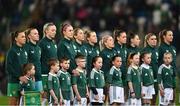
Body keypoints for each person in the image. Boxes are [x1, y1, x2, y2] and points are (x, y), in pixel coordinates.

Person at [6, 29, 28, 105]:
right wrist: (19, 77)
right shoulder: (12, 51)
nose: (24, 38)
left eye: (25, 36)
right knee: (13, 104)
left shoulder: (24, 51)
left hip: (23, 82)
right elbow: (8, 68)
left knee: (20, 103)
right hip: (14, 82)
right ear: (16, 39)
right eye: (22, 37)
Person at [38, 22, 57, 104]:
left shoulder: (53, 43)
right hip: (45, 74)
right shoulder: (41, 43)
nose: (54, 32)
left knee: (51, 97)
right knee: (44, 95)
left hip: (53, 74)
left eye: (55, 30)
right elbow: (38, 59)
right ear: (46, 31)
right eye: (52, 30)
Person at [142, 33, 159, 104]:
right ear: (147, 41)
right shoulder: (144, 51)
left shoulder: (157, 50)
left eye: (155, 39)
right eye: (152, 39)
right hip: (147, 80)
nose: (154, 40)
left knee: (154, 100)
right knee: (146, 101)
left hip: (156, 79)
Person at [25, 28, 43, 93]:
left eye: (37, 33)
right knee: (29, 99)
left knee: (39, 98)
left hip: (38, 76)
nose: (37, 35)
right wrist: (29, 75)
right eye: (35, 34)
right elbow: (25, 63)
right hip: (30, 78)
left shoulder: (38, 48)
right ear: (29, 36)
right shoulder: (26, 47)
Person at [113, 29, 128, 103]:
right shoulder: (114, 48)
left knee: (123, 100)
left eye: (126, 37)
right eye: (123, 37)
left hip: (124, 76)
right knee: (115, 100)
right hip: (117, 77)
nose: (125, 38)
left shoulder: (124, 48)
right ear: (118, 38)